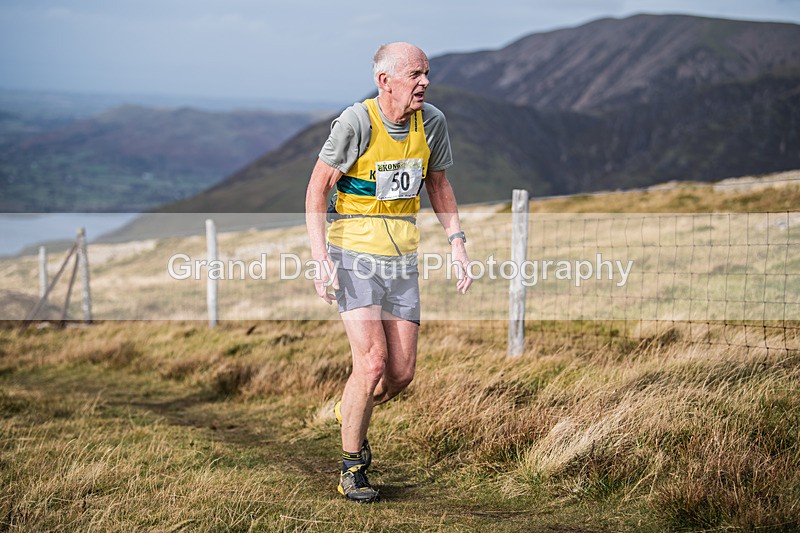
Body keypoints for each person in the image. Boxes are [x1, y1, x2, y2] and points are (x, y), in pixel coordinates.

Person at [305, 42, 473, 503]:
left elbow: (438, 184)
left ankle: (348, 412)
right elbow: (317, 190)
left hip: (402, 261)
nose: (425, 82)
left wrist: (456, 242)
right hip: (352, 256)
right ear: (386, 80)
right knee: (372, 362)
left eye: (427, 73)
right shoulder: (357, 122)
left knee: (399, 375)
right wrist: (320, 260)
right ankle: (352, 468)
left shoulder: (431, 123)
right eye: (415, 73)